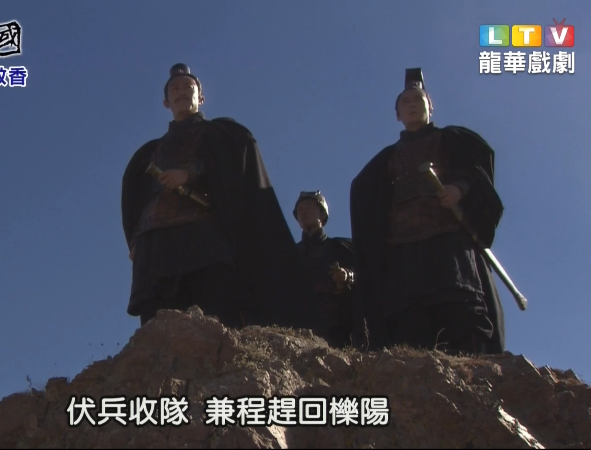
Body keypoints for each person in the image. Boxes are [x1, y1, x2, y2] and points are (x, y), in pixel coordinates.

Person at [121, 63, 315, 329]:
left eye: (188, 87)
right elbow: (136, 199)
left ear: (200, 97)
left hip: (203, 232)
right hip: (155, 242)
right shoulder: (148, 153)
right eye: (174, 89)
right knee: (158, 319)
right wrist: (135, 240)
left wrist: (189, 174)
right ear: (166, 102)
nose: (181, 92)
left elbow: (233, 167)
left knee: (215, 308)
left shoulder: (222, 135)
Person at [349, 68, 505, 355]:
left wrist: (459, 188)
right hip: (403, 251)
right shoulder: (385, 162)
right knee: (409, 322)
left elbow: (475, 174)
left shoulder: (453, 141)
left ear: (430, 106)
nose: (412, 105)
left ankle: (474, 371)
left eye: (418, 100)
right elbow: (368, 202)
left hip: (448, 243)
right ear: (397, 114)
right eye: (405, 102)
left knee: (461, 313)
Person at [293, 191, 355, 348]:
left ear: (322, 214)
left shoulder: (339, 247)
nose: (303, 212)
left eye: (308, 207)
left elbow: (363, 271)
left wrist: (347, 275)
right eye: (300, 210)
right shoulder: (291, 254)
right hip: (300, 321)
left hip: (335, 323)